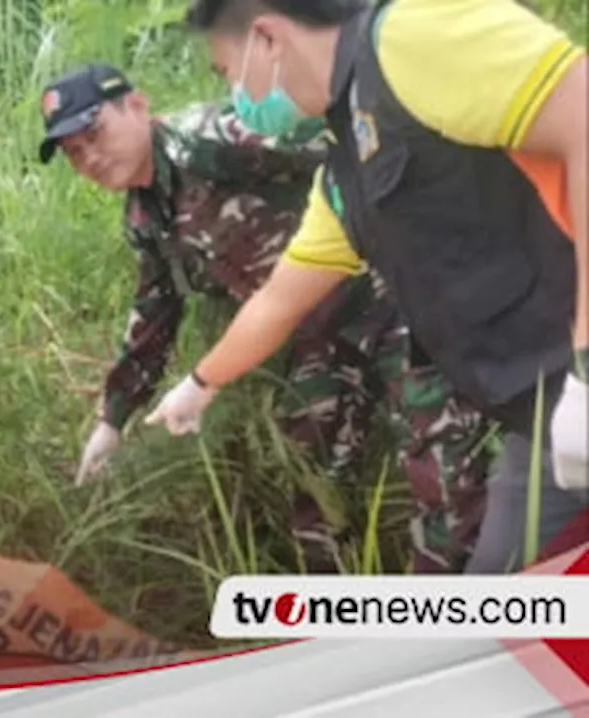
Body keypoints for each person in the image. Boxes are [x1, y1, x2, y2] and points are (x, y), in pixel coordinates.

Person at [150, 0, 588, 573]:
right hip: (548, 417)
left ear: (267, 39)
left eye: (226, 72)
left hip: (576, 379)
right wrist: (199, 384)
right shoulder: (345, 168)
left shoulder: (412, 34)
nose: (235, 95)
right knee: (501, 614)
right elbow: (279, 301)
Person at [38, 63, 494, 573]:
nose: (89, 157)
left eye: (93, 133)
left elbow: (353, 141)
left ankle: (464, 609)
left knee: (444, 465)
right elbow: (155, 311)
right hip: (319, 332)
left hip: (395, 294)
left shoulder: (212, 140)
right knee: (308, 473)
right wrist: (112, 420)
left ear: (138, 105)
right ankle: (339, 620)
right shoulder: (146, 216)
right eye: (74, 153)